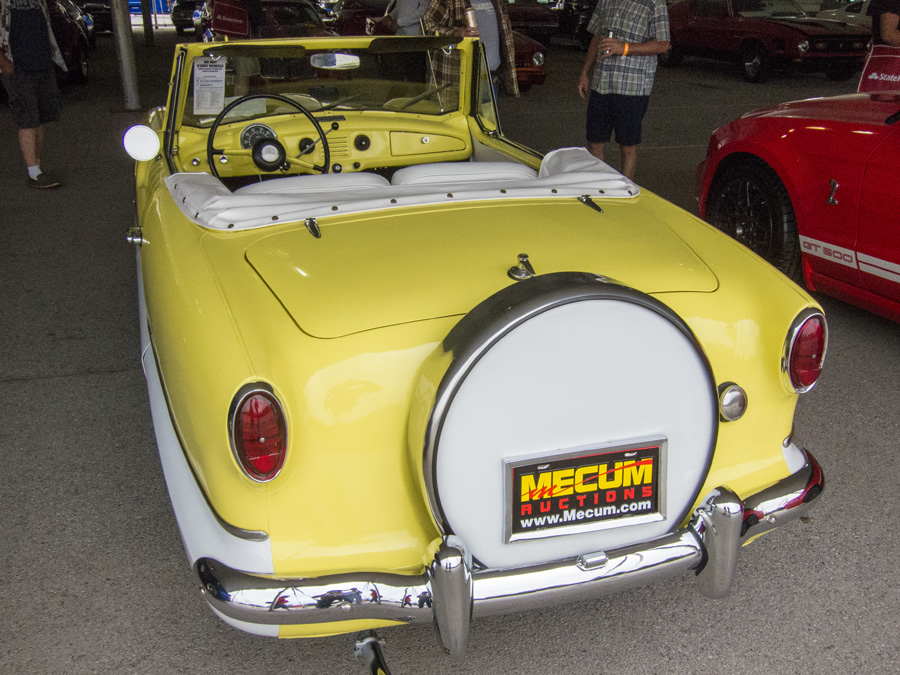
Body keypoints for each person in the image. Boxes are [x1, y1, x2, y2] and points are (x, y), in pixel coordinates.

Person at [577, 0, 669, 180]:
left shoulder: (654, 3)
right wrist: (585, 71)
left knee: (627, 146)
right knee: (595, 142)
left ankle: (625, 192)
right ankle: (598, 188)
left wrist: (624, 48)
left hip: (632, 88)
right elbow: (598, 35)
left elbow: (663, 44)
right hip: (602, 83)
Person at [0, 0, 66, 188]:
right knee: (28, 117)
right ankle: (33, 172)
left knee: (41, 116)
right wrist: (3, 63)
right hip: (17, 67)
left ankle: (37, 167)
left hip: (42, 64)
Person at [421, 0, 518, 96]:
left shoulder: (498, 2)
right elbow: (426, 26)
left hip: (491, 80)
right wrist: (456, 33)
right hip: (457, 82)